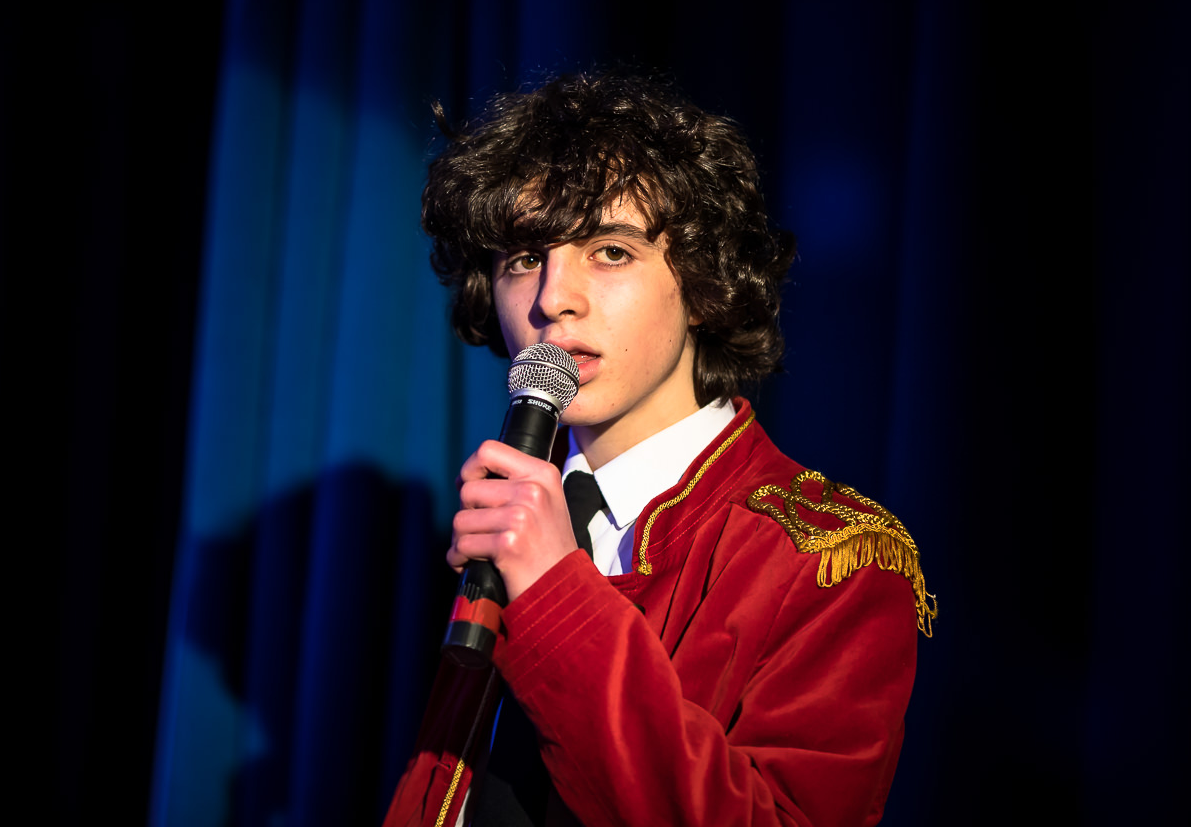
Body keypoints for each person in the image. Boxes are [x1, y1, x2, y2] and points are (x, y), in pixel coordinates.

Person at [383, 72, 935, 827]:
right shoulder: (497, 529)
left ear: (704, 285)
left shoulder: (829, 560)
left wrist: (552, 595)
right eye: (524, 258)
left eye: (610, 251)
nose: (551, 299)